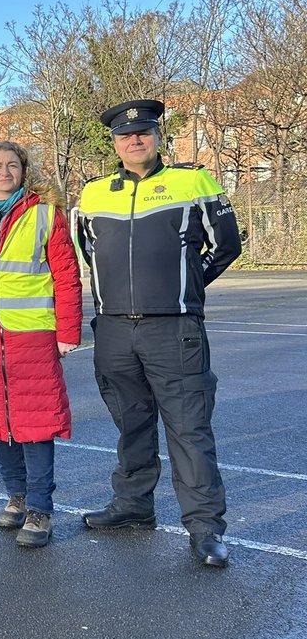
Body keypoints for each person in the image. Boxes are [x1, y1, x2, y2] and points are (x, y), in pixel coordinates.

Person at [77, 99, 241, 567]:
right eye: (126, 135)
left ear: (157, 137)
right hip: (113, 331)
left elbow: (226, 246)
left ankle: (206, 529)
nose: (135, 140)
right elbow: (88, 254)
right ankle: (133, 506)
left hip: (175, 331)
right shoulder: (92, 194)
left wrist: (185, 286)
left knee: (189, 430)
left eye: (144, 132)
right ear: (114, 143)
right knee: (130, 425)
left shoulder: (192, 182)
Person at [0, 142, 82, 548]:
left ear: (23, 171)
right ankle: (17, 496)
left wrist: (67, 333)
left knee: (36, 423)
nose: (4, 171)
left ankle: (41, 508)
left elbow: (67, 275)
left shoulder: (45, 215)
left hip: (32, 334)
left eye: (12, 165)